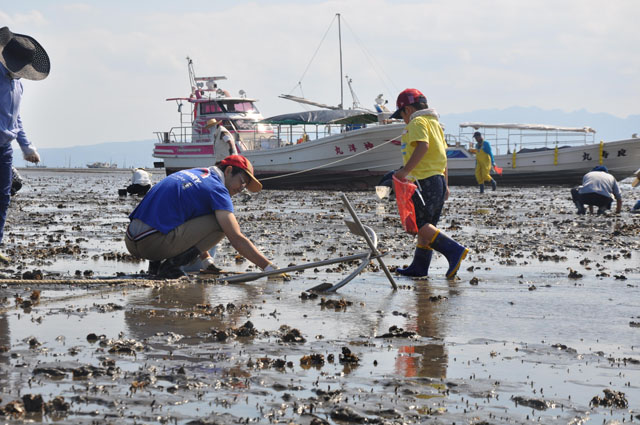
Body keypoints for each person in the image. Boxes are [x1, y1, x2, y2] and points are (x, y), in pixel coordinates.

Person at [125, 155, 280, 278]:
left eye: (245, 186)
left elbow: (187, 223)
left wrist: (207, 262)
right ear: (228, 171)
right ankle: (171, 267)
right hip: (151, 244)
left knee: (188, 216)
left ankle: (156, 266)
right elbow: (236, 237)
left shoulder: (194, 175)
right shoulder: (217, 188)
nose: (241, 188)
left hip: (132, 240)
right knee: (222, 224)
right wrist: (267, 267)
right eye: (241, 181)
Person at [389, 88, 469, 278]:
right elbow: (442, 155)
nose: (403, 120)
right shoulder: (435, 123)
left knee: (419, 223)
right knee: (428, 225)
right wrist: (446, 184)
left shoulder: (417, 121)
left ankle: (453, 250)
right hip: (438, 180)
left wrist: (404, 172)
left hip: (424, 180)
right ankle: (419, 266)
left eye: (401, 115)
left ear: (407, 110)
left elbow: (423, 146)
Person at [0, 27, 50, 264]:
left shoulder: (18, 85)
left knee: (3, 197)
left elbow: (16, 118)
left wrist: (27, 147)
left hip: (5, 148)